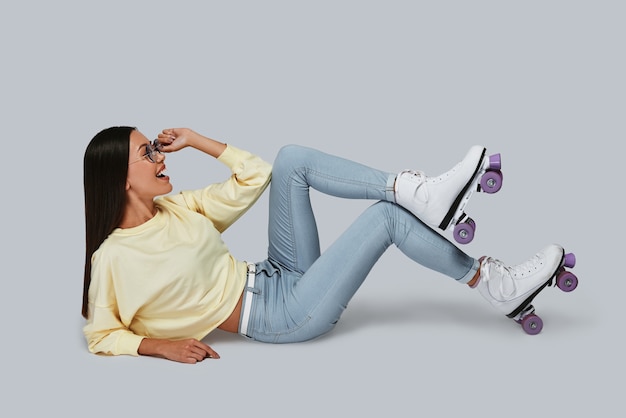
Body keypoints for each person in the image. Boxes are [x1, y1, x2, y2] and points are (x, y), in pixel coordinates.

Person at [82, 126, 574, 363]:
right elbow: (101, 334)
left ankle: (416, 191)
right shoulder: (115, 258)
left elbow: (257, 176)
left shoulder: (178, 208)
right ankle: (496, 284)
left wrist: (198, 140)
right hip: (282, 315)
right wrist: (159, 347)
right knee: (385, 220)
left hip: (276, 271)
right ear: (120, 180)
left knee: (291, 158)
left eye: (155, 147)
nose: (158, 156)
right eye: (146, 153)